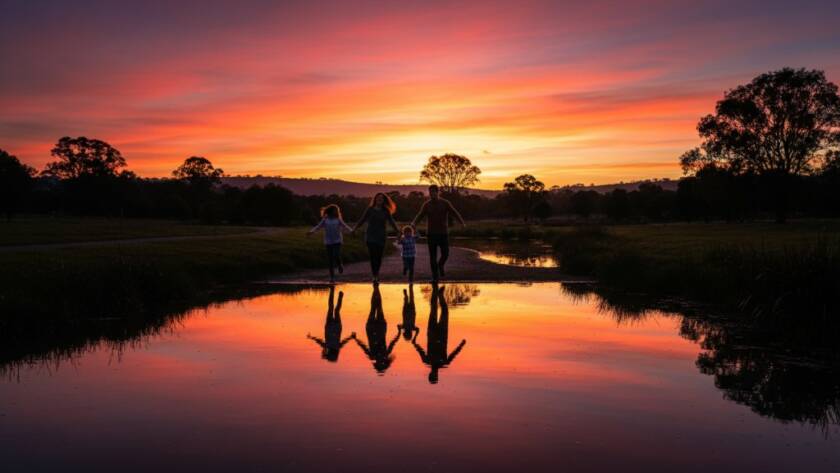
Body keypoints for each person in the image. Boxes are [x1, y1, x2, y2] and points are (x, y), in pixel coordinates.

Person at [411, 285, 466, 384]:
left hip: (432, 332)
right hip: (442, 333)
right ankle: (439, 295)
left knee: (433, 310)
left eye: (433, 375)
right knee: (444, 311)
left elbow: (420, 350)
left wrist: (414, 343)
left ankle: (436, 292)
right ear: (437, 375)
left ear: (430, 374)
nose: (435, 374)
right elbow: (454, 354)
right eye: (435, 376)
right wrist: (461, 345)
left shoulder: (427, 361)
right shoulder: (443, 363)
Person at [411, 185, 466, 282]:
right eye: (430, 192)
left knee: (446, 253)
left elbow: (454, 212)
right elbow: (420, 215)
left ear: (437, 192)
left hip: (443, 233)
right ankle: (435, 277)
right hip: (431, 234)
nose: (432, 194)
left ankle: (440, 265)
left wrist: (461, 222)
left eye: (433, 192)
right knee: (433, 256)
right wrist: (414, 223)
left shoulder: (445, 203)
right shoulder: (427, 205)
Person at [352, 284, 401, 374]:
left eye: (378, 364)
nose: (379, 361)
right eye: (381, 363)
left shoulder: (372, 356)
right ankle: (376, 288)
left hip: (371, 328)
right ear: (384, 362)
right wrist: (399, 333)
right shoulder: (384, 354)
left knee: (373, 307)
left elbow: (363, 346)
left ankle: (375, 288)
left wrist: (355, 339)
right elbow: (392, 343)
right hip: (381, 327)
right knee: (378, 306)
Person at [352, 192, 399, 283]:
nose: (379, 199)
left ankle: (376, 273)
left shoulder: (386, 211)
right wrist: (355, 228)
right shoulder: (370, 209)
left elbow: (391, 222)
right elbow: (362, 219)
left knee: (379, 257)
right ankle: (374, 276)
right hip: (370, 236)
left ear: (383, 200)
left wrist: (398, 231)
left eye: (381, 198)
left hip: (381, 236)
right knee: (373, 256)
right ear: (375, 199)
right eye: (378, 198)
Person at [307, 287, 354, 362]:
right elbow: (319, 341)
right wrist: (311, 337)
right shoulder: (327, 346)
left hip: (337, 327)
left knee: (336, 311)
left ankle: (340, 296)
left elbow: (344, 341)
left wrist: (351, 337)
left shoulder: (337, 347)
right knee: (331, 308)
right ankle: (332, 291)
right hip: (329, 326)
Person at [307, 204, 353, 283]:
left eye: (337, 210)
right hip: (328, 241)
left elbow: (345, 226)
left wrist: (351, 231)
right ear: (330, 211)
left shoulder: (338, 219)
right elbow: (318, 226)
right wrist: (311, 232)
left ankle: (339, 265)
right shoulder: (325, 220)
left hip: (337, 241)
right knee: (330, 260)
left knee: (336, 254)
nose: (336, 212)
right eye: (335, 210)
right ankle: (332, 278)